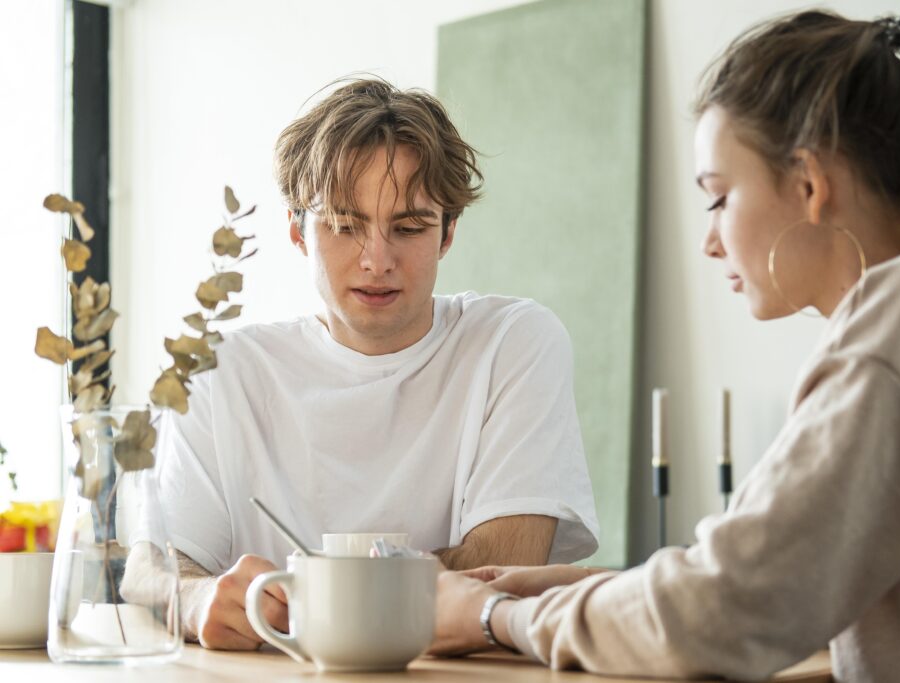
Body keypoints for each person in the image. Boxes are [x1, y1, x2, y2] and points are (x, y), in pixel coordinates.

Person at [429, 9, 900, 681]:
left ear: (809, 183)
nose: (710, 241)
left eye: (717, 198)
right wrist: (585, 590)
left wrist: (494, 617)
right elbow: (769, 579)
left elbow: (725, 610)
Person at [151, 79, 599, 650]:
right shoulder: (220, 371)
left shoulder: (513, 342)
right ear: (297, 231)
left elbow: (505, 565)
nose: (377, 260)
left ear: (448, 234)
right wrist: (192, 599)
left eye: (409, 228)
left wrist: (307, 593)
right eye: (344, 225)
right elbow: (151, 568)